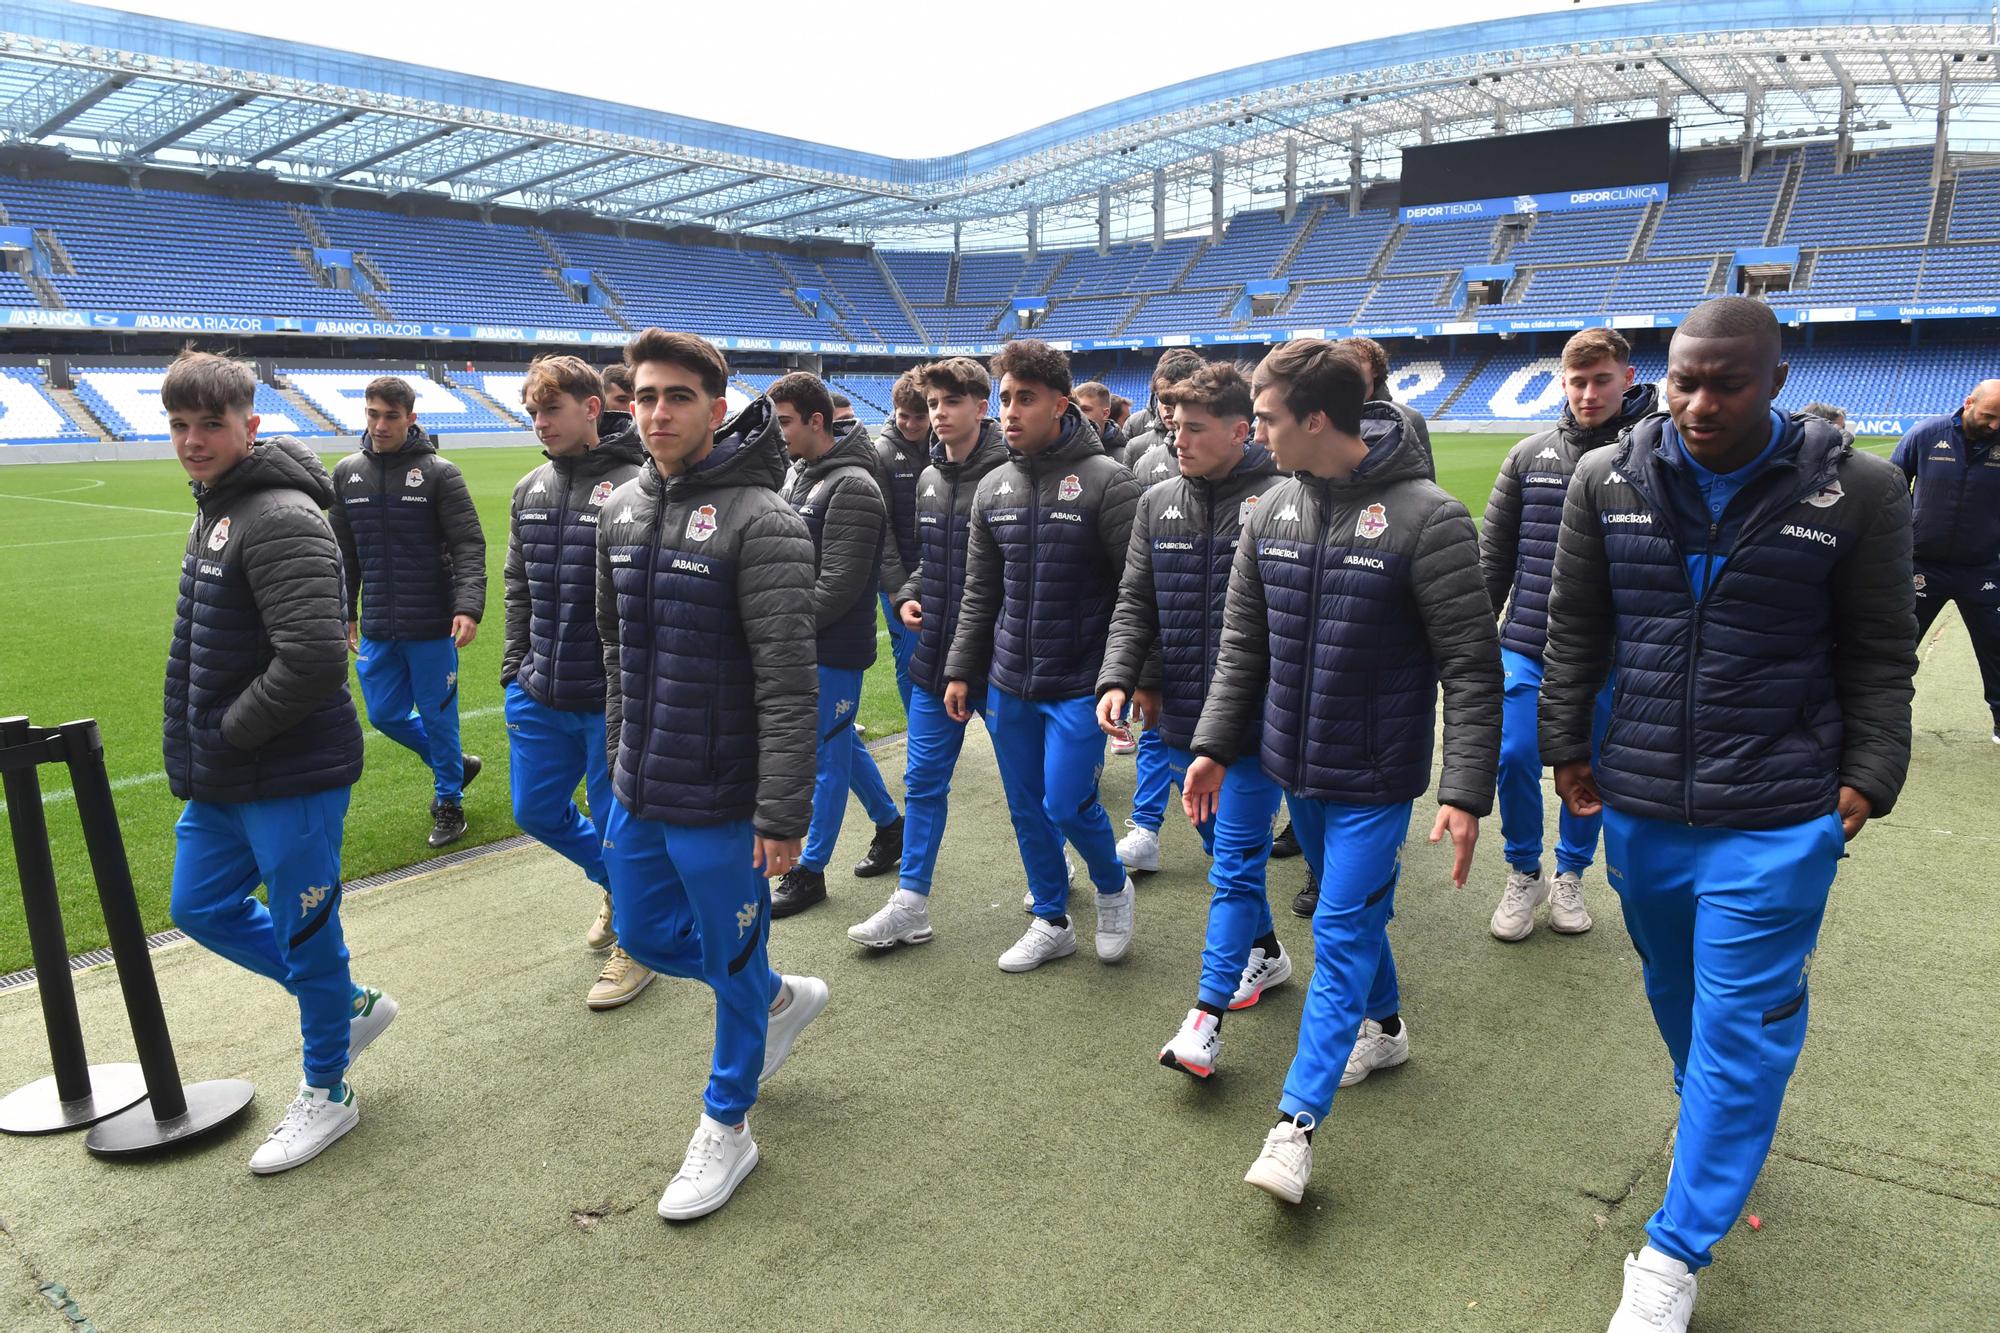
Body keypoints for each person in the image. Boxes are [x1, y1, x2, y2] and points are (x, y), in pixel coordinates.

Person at [1541, 296, 1915, 1331]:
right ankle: (1718, 1128)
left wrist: (1867, 773)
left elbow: (1880, 651)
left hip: (1780, 810)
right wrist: (1566, 743)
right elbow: (1575, 625)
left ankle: (1670, 1253)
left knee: (1739, 1022)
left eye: (1725, 383)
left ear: (1775, 384)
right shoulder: (1602, 477)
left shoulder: (1860, 492)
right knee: (1675, 994)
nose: (1697, 403)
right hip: (1644, 802)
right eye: (1682, 380)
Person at [1182, 338, 1500, 1200]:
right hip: (1290, 764)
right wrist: (1214, 744)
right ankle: (1386, 1027)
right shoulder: (1270, 506)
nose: (1256, 429)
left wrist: (1466, 790)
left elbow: (1471, 665)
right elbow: (1243, 645)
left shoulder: (1430, 518)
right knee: (1352, 914)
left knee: (1340, 930)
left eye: (1269, 416)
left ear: (1317, 419)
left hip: (1375, 773)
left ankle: (1293, 1126)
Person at [594, 329, 830, 1221]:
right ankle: (770, 992)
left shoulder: (763, 519)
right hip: (642, 781)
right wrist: (619, 755)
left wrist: (782, 809)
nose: (657, 412)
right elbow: (617, 651)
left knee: (727, 951)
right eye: (646, 395)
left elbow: (786, 677)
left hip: (725, 789)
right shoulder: (619, 507)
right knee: (649, 936)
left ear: (716, 408)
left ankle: (728, 1123)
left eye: (678, 396)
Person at [160, 350, 394, 1174]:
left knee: (308, 931)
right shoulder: (218, 504)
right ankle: (347, 1004)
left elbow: (315, 658)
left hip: (288, 769)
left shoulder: (281, 515)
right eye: (180, 425)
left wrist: (229, 731)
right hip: (230, 772)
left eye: (210, 425)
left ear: (249, 426)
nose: (192, 440)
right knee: (199, 905)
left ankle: (328, 1088)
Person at [1090, 362, 1293, 1074]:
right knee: (1212, 837)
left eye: (1196, 429)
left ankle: (1203, 1019)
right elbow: (1135, 602)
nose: (1179, 439)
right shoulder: (1158, 502)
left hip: (1260, 716)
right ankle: (1265, 952)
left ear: (1242, 430)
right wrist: (1121, 675)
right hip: (1181, 709)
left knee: (1233, 863)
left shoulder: (1283, 499)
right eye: (1174, 427)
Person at [944, 339, 1144, 972]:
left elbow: (1137, 593)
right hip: (1008, 680)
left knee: (1065, 802)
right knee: (1026, 806)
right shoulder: (992, 487)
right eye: (1004, 399)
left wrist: (1129, 676)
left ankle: (1112, 887)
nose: (1009, 411)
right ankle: (1051, 917)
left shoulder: (1110, 484)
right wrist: (960, 668)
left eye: (1024, 399)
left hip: (1082, 679)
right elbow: (981, 591)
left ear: (1060, 405)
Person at [1478, 328, 1656, 941]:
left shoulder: (1659, 456)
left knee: (1597, 766)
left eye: (1601, 380)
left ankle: (1570, 873)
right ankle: (1522, 869)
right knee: (1515, 756)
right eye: (1576, 381)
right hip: (1528, 641)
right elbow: (1493, 559)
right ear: (1561, 382)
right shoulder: (1529, 456)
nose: (1587, 393)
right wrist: (1476, 642)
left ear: (1627, 379)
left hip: (1618, 651)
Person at [502, 355, 652, 1010]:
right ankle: (622, 888)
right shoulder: (529, 486)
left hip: (610, 694)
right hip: (539, 687)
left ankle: (638, 946)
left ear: (592, 407)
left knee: (619, 825)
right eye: (534, 412)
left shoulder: (640, 483)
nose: (541, 423)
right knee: (534, 809)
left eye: (552, 410)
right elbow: (517, 585)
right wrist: (514, 668)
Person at [848, 358, 1011, 948]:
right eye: (931, 405)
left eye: (948, 403)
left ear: (980, 406)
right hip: (935, 652)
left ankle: (1053, 873)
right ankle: (911, 900)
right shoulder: (930, 477)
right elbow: (933, 559)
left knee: (1030, 789)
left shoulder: (1013, 474)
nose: (937, 415)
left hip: (999, 656)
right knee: (922, 781)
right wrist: (913, 591)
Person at [766, 372, 904, 919]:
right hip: (804, 639)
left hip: (831, 645)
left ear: (816, 421)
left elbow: (841, 585)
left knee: (821, 755)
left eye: (784, 423)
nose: (777, 435)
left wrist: (782, 631)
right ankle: (892, 825)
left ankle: (810, 870)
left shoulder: (853, 486)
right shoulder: (800, 475)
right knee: (839, 741)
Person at [327, 376, 486, 849]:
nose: (380, 425)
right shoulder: (346, 473)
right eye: (373, 415)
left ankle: (449, 801)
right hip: (377, 622)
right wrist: (345, 611)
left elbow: (467, 544)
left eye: (391, 416)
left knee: (439, 719)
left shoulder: (439, 473)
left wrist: (468, 605)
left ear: (411, 418)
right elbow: (343, 552)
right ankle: (456, 765)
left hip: (432, 622)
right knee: (384, 715)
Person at [1891, 379, 2000, 741]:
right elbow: (1891, 487)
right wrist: (1905, 533)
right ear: (1968, 403)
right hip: (1923, 566)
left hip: (1985, 568)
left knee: (1996, 649)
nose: (1995, 425)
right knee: (1896, 648)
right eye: (1989, 416)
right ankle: (1883, 721)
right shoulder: (1926, 434)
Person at [870, 369, 929, 719]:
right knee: (909, 660)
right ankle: (918, 736)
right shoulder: (882, 452)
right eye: (902, 415)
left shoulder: (944, 444)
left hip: (940, 572)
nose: (908, 424)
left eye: (918, 417)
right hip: (901, 576)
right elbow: (883, 524)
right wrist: (895, 586)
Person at [1073, 380, 1128, 457]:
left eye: (1085, 409)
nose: (1078, 413)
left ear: (1105, 413)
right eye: (1074, 408)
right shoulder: (1059, 450)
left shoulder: (1124, 457)